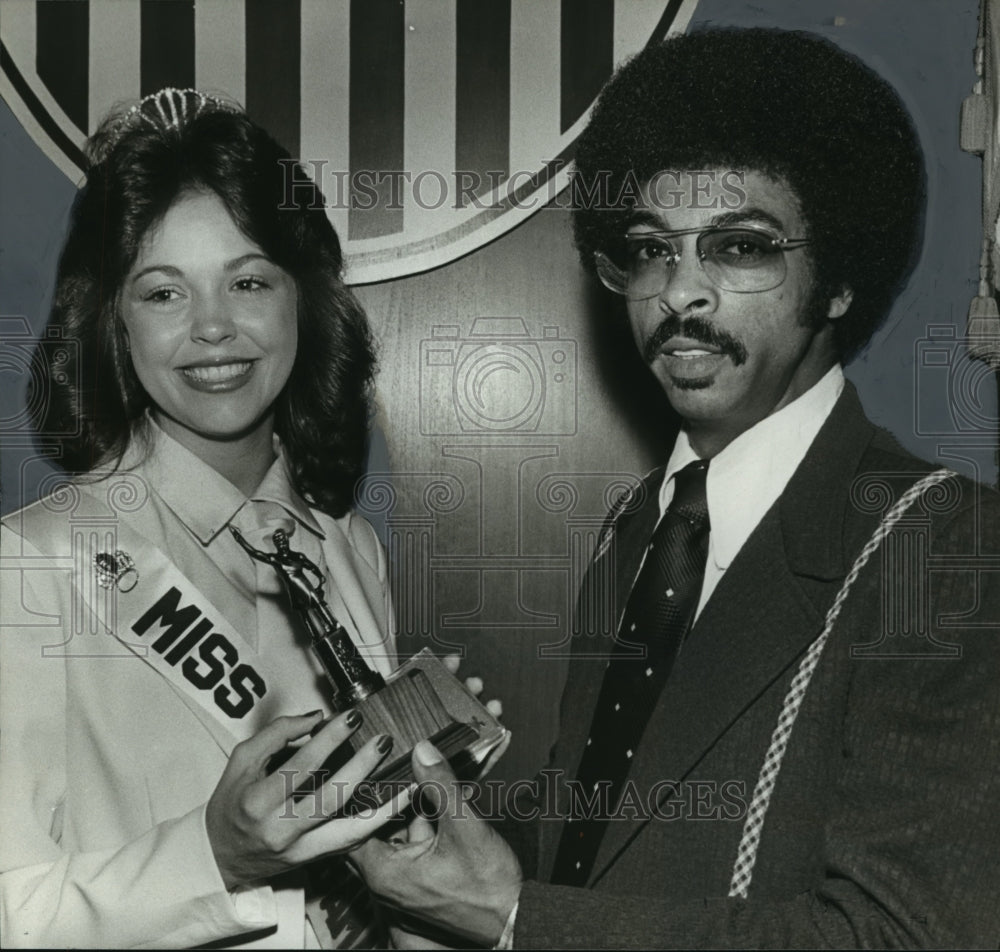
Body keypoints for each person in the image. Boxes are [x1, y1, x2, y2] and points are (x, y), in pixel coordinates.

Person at [352, 27, 1000, 948]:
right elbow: (612, 849)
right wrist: (455, 833)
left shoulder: (945, 549)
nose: (679, 295)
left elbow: (902, 935)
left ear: (842, 277)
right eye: (651, 249)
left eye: (739, 247)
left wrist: (511, 916)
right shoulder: (642, 529)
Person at [0, 88, 409, 948]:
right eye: (164, 293)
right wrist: (215, 857)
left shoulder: (350, 551)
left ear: (302, 296)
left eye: (248, 280)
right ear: (113, 319)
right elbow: (15, 913)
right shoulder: (32, 566)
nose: (214, 328)